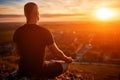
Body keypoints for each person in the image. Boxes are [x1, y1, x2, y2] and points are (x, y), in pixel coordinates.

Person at [13, 2, 72, 79]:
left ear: (25, 14)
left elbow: (17, 52)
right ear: (37, 13)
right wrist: (67, 59)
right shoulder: (44, 32)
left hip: (23, 70)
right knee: (65, 65)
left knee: (50, 62)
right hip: (39, 70)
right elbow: (57, 53)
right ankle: (42, 76)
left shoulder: (18, 31)